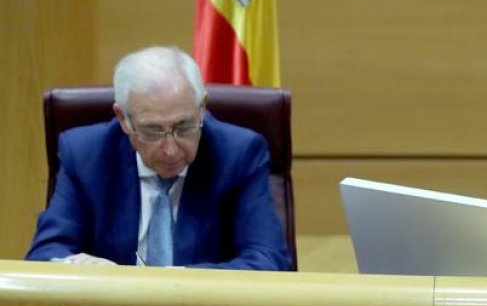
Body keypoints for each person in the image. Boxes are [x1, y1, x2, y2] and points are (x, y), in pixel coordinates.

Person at [26, 45, 292, 270]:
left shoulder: (238, 153)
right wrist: (79, 267)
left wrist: (168, 283)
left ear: (202, 109)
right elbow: (45, 253)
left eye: (184, 126)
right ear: (123, 119)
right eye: (152, 131)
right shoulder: (86, 154)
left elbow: (268, 260)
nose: (171, 149)